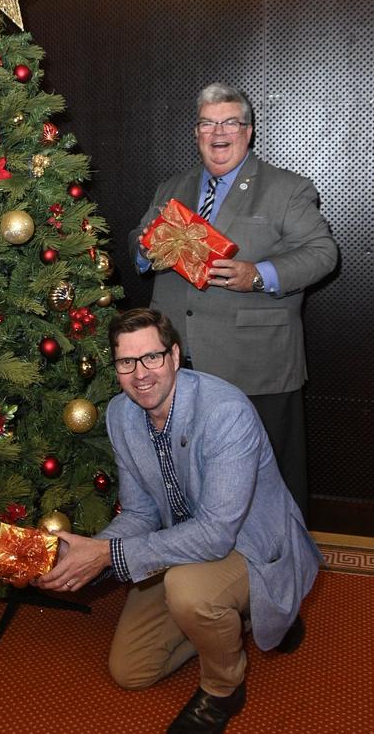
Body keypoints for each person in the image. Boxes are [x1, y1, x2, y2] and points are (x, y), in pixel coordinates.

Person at [38, 308, 321, 734]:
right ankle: (240, 618)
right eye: (126, 363)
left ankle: (224, 688)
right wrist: (86, 552)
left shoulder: (225, 411)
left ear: (174, 355)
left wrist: (107, 555)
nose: (140, 374)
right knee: (131, 670)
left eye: (151, 357)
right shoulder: (120, 415)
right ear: (116, 367)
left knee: (188, 591)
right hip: (180, 545)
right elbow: (140, 514)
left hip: (251, 544)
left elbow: (215, 535)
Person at [128, 82, 338, 516]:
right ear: (196, 131)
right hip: (176, 363)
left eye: (229, 122)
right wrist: (145, 250)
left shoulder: (287, 189)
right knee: (193, 477)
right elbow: (137, 236)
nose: (218, 132)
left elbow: (322, 255)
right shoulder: (172, 187)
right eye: (207, 123)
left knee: (269, 484)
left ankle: (278, 570)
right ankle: (200, 565)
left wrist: (257, 275)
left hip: (256, 365)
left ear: (249, 131)